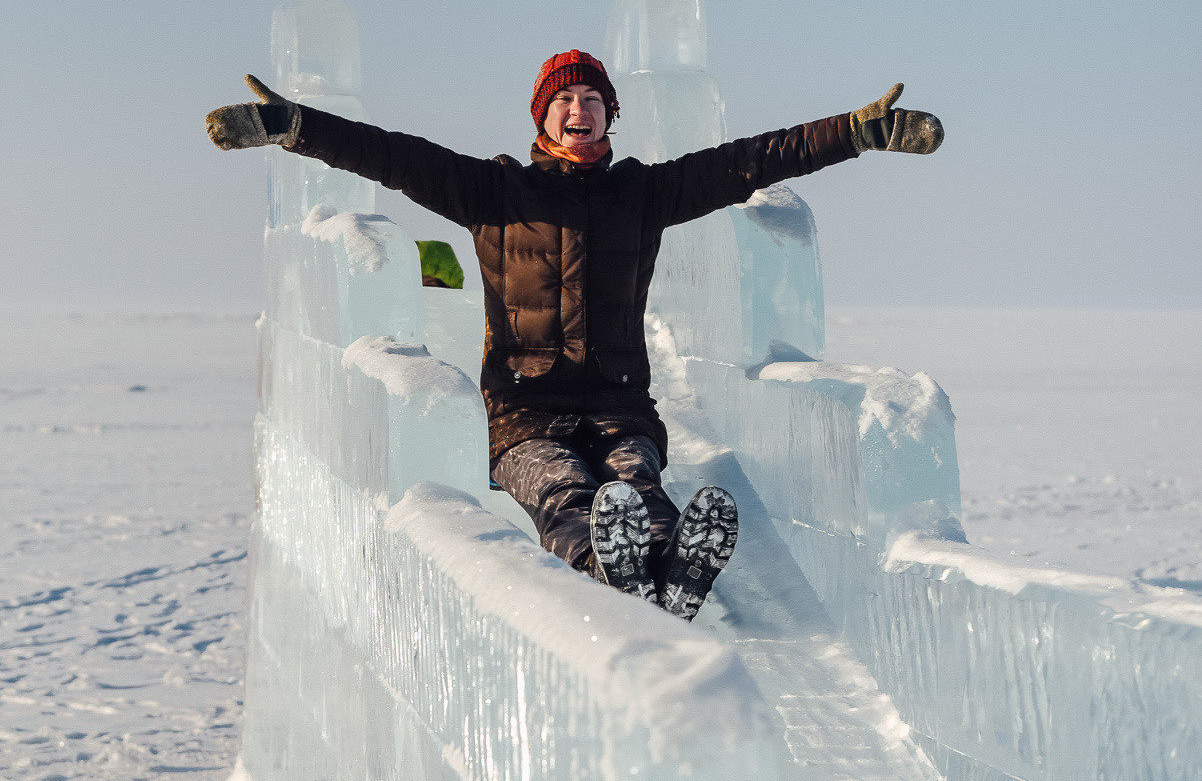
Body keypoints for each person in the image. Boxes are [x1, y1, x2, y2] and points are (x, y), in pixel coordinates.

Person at [207, 49, 943, 619]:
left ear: (609, 118)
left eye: (592, 99)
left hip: (621, 406)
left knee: (635, 482)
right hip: (525, 415)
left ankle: (671, 570)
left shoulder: (644, 194)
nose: (578, 109)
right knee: (563, 492)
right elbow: (393, 156)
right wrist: (294, 127)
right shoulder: (493, 192)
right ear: (541, 116)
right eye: (564, 98)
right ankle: (608, 570)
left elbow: (749, 160)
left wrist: (855, 132)